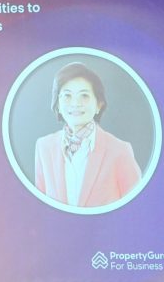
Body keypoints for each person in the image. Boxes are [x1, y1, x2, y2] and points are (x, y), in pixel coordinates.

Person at [34, 62, 142, 207]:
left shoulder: (120, 150)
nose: (75, 103)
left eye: (84, 96)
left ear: (99, 105)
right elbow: (40, 208)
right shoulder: (44, 146)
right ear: (58, 104)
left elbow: (137, 207)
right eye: (67, 95)